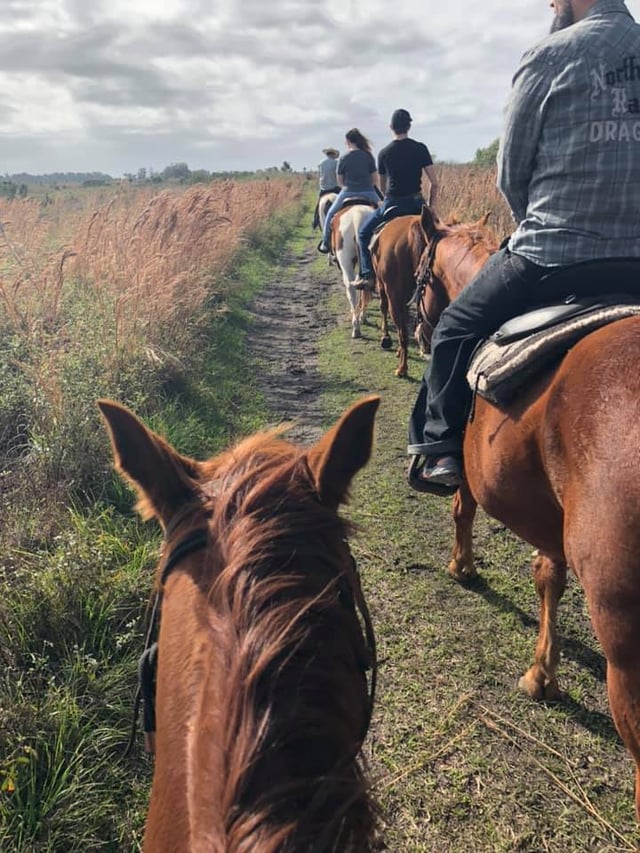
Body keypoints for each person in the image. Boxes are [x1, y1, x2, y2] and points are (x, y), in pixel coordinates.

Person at [408, 0, 640, 494]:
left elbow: (511, 172)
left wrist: (532, 221)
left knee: (454, 327)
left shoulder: (550, 56)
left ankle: (440, 448)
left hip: (553, 255)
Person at [353, 109, 439, 291]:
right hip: (417, 203)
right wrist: (431, 208)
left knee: (363, 233)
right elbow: (435, 183)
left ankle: (367, 275)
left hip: (392, 203)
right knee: (441, 236)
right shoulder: (420, 148)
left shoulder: (384, 153)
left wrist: (386, 200)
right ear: (409, 126)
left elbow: (383, 187)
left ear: (391, 127)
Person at [317, 129, 381, 254]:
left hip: (348, 192)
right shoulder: (368, 156)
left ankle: (325, 242)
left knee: (330, 214)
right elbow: (375, 179)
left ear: (348, 141)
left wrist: (349, 187)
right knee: (384, 212)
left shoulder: (344, 158)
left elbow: (340, 181)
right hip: (368, 191)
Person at [312, 147, 341, 230]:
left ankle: (315, 221)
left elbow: (320, 176)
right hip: (335, 188)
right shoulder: (337, 163)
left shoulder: (321, 163)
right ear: (333, 154)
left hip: (324, 189)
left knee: (318, 205)